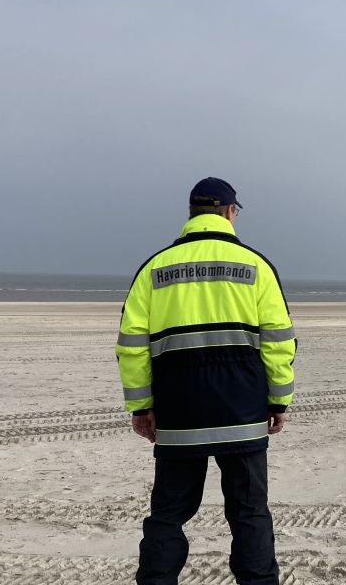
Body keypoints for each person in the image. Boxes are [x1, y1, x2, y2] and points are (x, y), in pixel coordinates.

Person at [116, 177, 296, 585]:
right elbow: (278, 340)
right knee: (249, 512)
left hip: (179, 414)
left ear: (191, 213)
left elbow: (132, 346)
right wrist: (278, 400)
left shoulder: (155, 268)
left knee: (167, 515)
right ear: (230, 212)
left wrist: (141, 407)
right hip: (243, 412)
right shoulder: (256, 266)